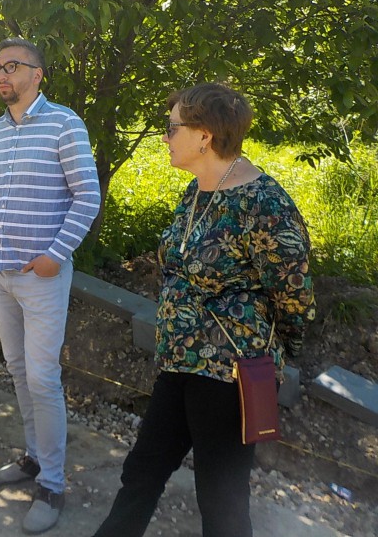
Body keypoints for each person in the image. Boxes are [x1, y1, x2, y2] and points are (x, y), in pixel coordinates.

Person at [91, 83, 316, 537]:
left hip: (230, 374)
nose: (165, 137)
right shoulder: (195, 192)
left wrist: (275, 352)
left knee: (221, 500)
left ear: (205, 136)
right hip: (180, 363)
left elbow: (294, 294)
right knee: (142, 470)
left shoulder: (264, 202)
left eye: (172, 128)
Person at [0, 37, 101, 534]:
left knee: (43, 379)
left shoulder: (65, 122)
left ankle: (54, 484)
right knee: (19, 371)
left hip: (40, 278)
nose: (2, 75)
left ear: (37, 75)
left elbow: (87, 196)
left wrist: (54, 255)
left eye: (13, 66)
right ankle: (33, 460)